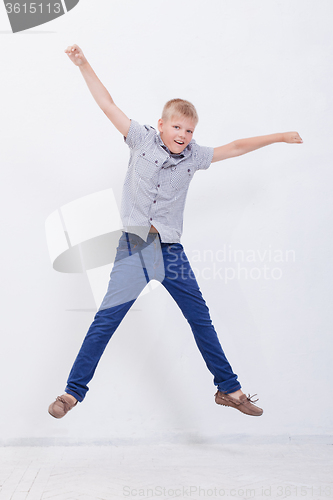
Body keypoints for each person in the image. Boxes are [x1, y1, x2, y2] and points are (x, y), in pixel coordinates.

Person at [48, 44, 303, 420]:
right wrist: (84, 64)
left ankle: (229, 389)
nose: (183, 134)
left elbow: (234, 147)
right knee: (106, 319)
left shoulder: (195, 156)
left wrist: (279, 136)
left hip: (170, 251)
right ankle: (72, 393)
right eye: (177, 127)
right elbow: (107, 104)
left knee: (200, 318)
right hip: (134, 247)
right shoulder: (140, 139)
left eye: (189, 129)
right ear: (162, 124)